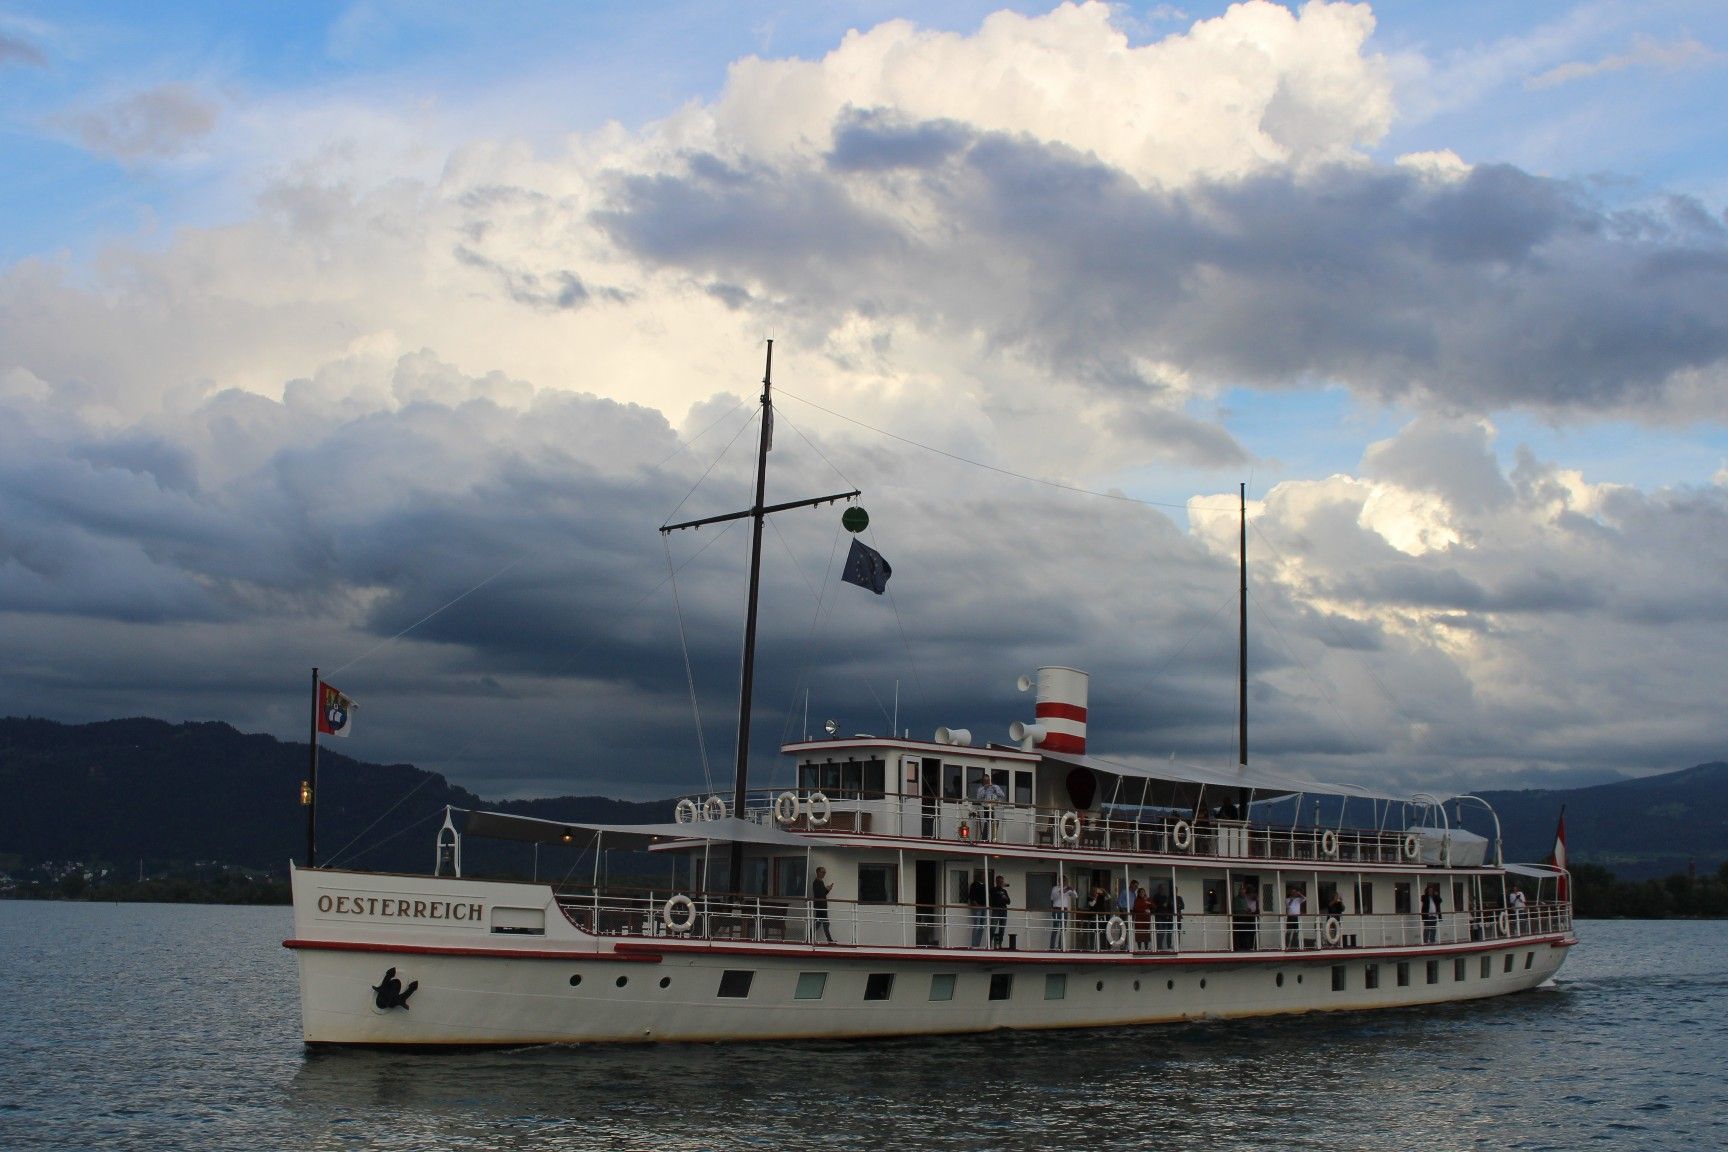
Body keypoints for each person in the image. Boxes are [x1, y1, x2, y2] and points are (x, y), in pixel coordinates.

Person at [975, 774, 1007, 841]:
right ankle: (985, 838)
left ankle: (994, 838)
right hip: (985, 808)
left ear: (990, 780)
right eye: (985, 780)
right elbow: (978, 798)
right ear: (983, 781)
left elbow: (1002, 795)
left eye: (988, 780)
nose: (987, 782)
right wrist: (985, 789)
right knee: (986, 822)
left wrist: (996, 789)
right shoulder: (981, 789)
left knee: (995, 821)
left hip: (995, 807)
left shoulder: (996, 787)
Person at [1049, 877, 1076, 950]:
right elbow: (1055, 897)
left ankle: (1060, 947)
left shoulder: (1068, 889)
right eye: (1063, 880)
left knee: (1063, 929)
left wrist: (1073, 890)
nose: (1064, 882)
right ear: (1059, 881)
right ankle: (1052, 947)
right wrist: (1065, 890)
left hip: (1065, 910)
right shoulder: (1055, 888)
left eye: (1065, 881)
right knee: (1055, 928)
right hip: (1056, 909)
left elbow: (1075, 896)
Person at [811, 866, 834, 944]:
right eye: (823, 872)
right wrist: (826, 889)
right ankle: (829, 940)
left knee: (820, 923)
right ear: (818, 872)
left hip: (821, 906)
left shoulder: (819, 882)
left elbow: (822, 894)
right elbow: (819, 894)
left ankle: (809, 937)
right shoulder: (817, 882)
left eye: (825, 872)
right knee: (824, 923)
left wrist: (827, 889)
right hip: (820, 906)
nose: (824, 874)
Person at [1087, 885, 1112, 951]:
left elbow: (1109, 897)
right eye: (1095, 891)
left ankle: (1102, 947)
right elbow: (1092, 904)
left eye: (1097, 891)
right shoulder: (1090, 897)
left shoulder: (1101, 897)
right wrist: (1095, 897)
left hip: (1101, 917)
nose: (1097, 892)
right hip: (1094, 918)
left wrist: (1104, 891)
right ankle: (1092, 948)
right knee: (1093, 932)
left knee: (1102, 932)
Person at [989, 874, 1011, 948]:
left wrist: (1005, 897)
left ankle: (999, 944)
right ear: (996, 882)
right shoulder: (993, 890)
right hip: (996, 910)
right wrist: (1000, 895)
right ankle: (989, 943)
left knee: (1002, 928)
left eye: (1002, 881)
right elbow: (993, 899)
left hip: (1004, 910)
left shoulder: (1004, 891)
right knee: (993, 927)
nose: (1001, 883)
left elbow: (1009, 902)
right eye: (999, 881)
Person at [968, 873, 988, 948]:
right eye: (983, 876)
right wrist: (976, 904)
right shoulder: (974, 885)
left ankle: (977, 944)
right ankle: (974, 944)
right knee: (977, 925)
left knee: (982, 926)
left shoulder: (985, 886)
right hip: (978, 907)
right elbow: (972, 896)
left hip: (985, 907)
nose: (984, 877)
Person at [1153, 885, 1174, 951]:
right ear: (1158, 889)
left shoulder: (1165, 897)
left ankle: (1160, 946)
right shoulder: (1156, 896)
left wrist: (1167, 914)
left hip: (1164, 917)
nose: (1162, 890)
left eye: (1163, 888)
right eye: (1161, 888)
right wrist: (1162, 905)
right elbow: (1154, 906)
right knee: (1159, 931)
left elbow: (1167, 906)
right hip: (1158, 916)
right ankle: (1158, 946)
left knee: (1163, 932)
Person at [1131, 883, 1152, 952]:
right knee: (1139, 934)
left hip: (1146, 920)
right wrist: (1144, 910)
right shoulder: (1137, 900)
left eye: (1143, 892)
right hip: (1139, 920)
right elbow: (1136, 908)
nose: (1142, 893)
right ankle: (1139, 948)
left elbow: (1154, 906)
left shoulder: (1147, 899)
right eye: (1141, 892)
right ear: (1139, 893)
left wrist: (1149, 903)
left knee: (1146, 934)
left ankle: (1146, 948)